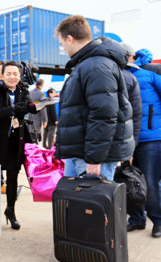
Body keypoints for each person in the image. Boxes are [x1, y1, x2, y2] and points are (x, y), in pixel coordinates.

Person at [54, 15, 134, 181]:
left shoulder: (96, 66)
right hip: (83, 152)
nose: (63, 49)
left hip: (92, 157)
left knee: (91, 203)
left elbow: (103, 114)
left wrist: (94, 158)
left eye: (62, 44)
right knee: (77, 203)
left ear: (70, 38)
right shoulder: (88, 64)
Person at [0, 61, 37, 230]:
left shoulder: (23, 91)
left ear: (19, 76)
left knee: (13, 177)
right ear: (2, 76)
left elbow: (26, 108)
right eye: (8, 74)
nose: (12, 77)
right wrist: (13, 109)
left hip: (16, 140)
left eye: (15, 74)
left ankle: (11, 211)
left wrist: (35, 108)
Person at [126, 48, 161, 238]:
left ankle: (158, 220)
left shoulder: (149, 75)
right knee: (130, 180)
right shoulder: (119, 77)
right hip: (128, 138)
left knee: (150, 182)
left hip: (151, 138)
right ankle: (136, 219)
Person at [120, 43, 142, 150]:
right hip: (125, 138)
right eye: (133, 57)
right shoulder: (130, 77)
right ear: (128, 56)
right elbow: (136, 113)